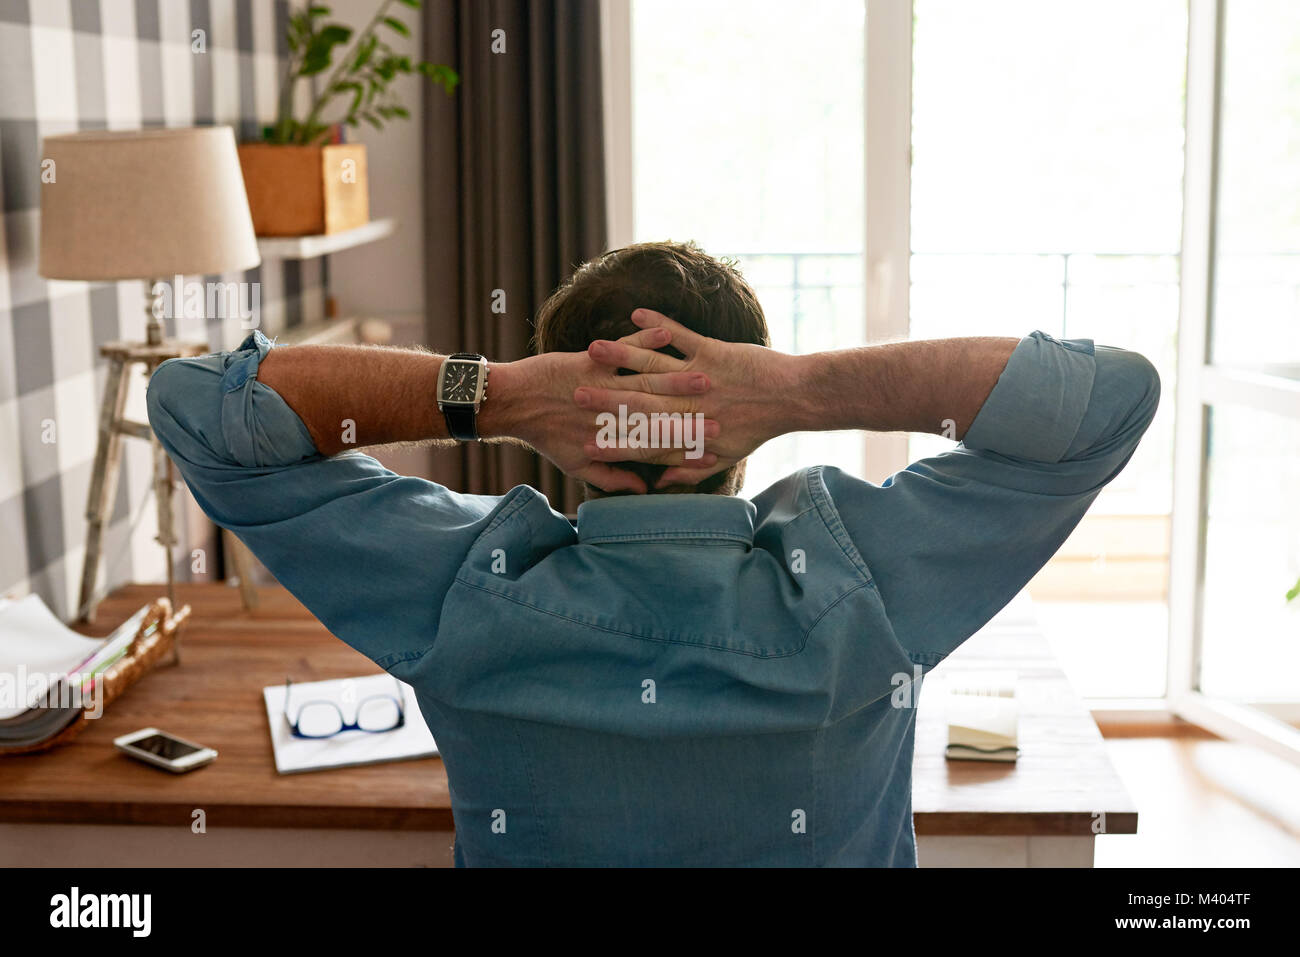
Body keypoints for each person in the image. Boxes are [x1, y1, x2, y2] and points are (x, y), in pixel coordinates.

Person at [146, 240, 1159, 866]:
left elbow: (197, 410)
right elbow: (1106, 401)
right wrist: (801, 391)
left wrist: (492, 394)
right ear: (737, 400)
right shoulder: (867, 583)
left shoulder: (461, 587)